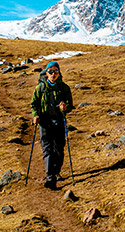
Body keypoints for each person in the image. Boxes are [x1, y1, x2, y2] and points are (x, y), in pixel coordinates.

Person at [30, 61, 73, 190]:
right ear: (46, 73)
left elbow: (70, 104)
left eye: (55, 71)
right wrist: (35, 115)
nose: (53, 74)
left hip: (59, 121)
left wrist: (65, 108)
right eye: (50, 71)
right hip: (44, 122)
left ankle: (56, 172)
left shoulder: (64, 88)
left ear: (59, 73)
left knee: (59, 150)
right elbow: (34, 104)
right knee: (47, 149)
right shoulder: (40, 88)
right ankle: (50, 177)